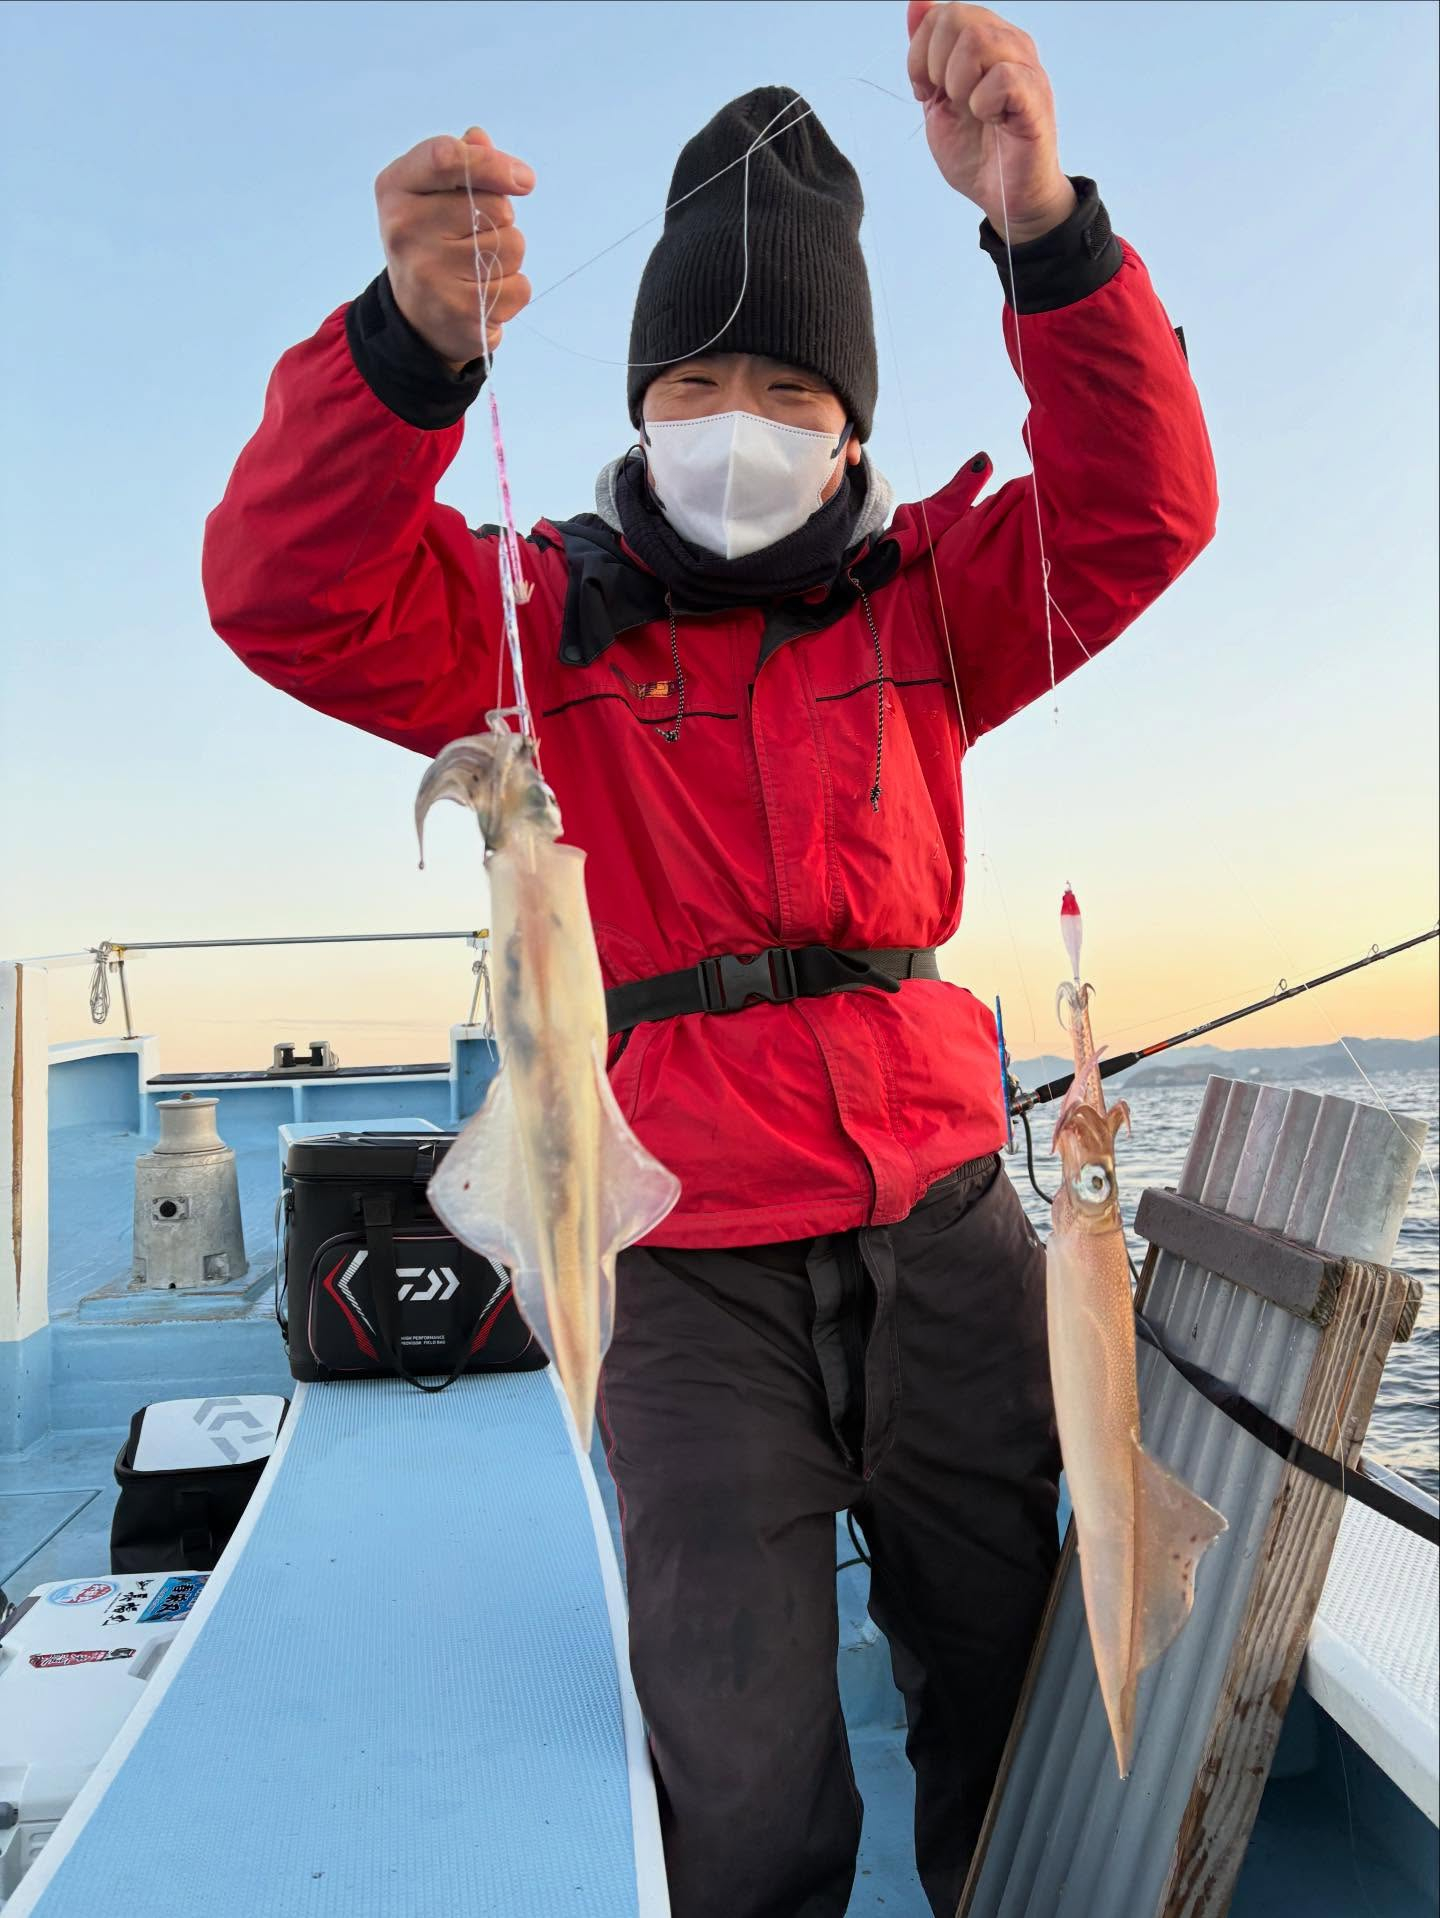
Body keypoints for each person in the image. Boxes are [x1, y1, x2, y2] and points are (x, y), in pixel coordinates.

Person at [203, 5, 1217, 1912]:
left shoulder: (940, 598)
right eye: (696, 383)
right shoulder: (533, 623)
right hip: (683, 1280)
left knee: (1008, 1715)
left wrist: (1047, 229)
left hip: (948, 1240)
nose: (736, 423)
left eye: (790, 390)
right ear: (639, 395)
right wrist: (402, 356)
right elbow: (281, 589)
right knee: (743, 1794)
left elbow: (1148, 508)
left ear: (854, 427)